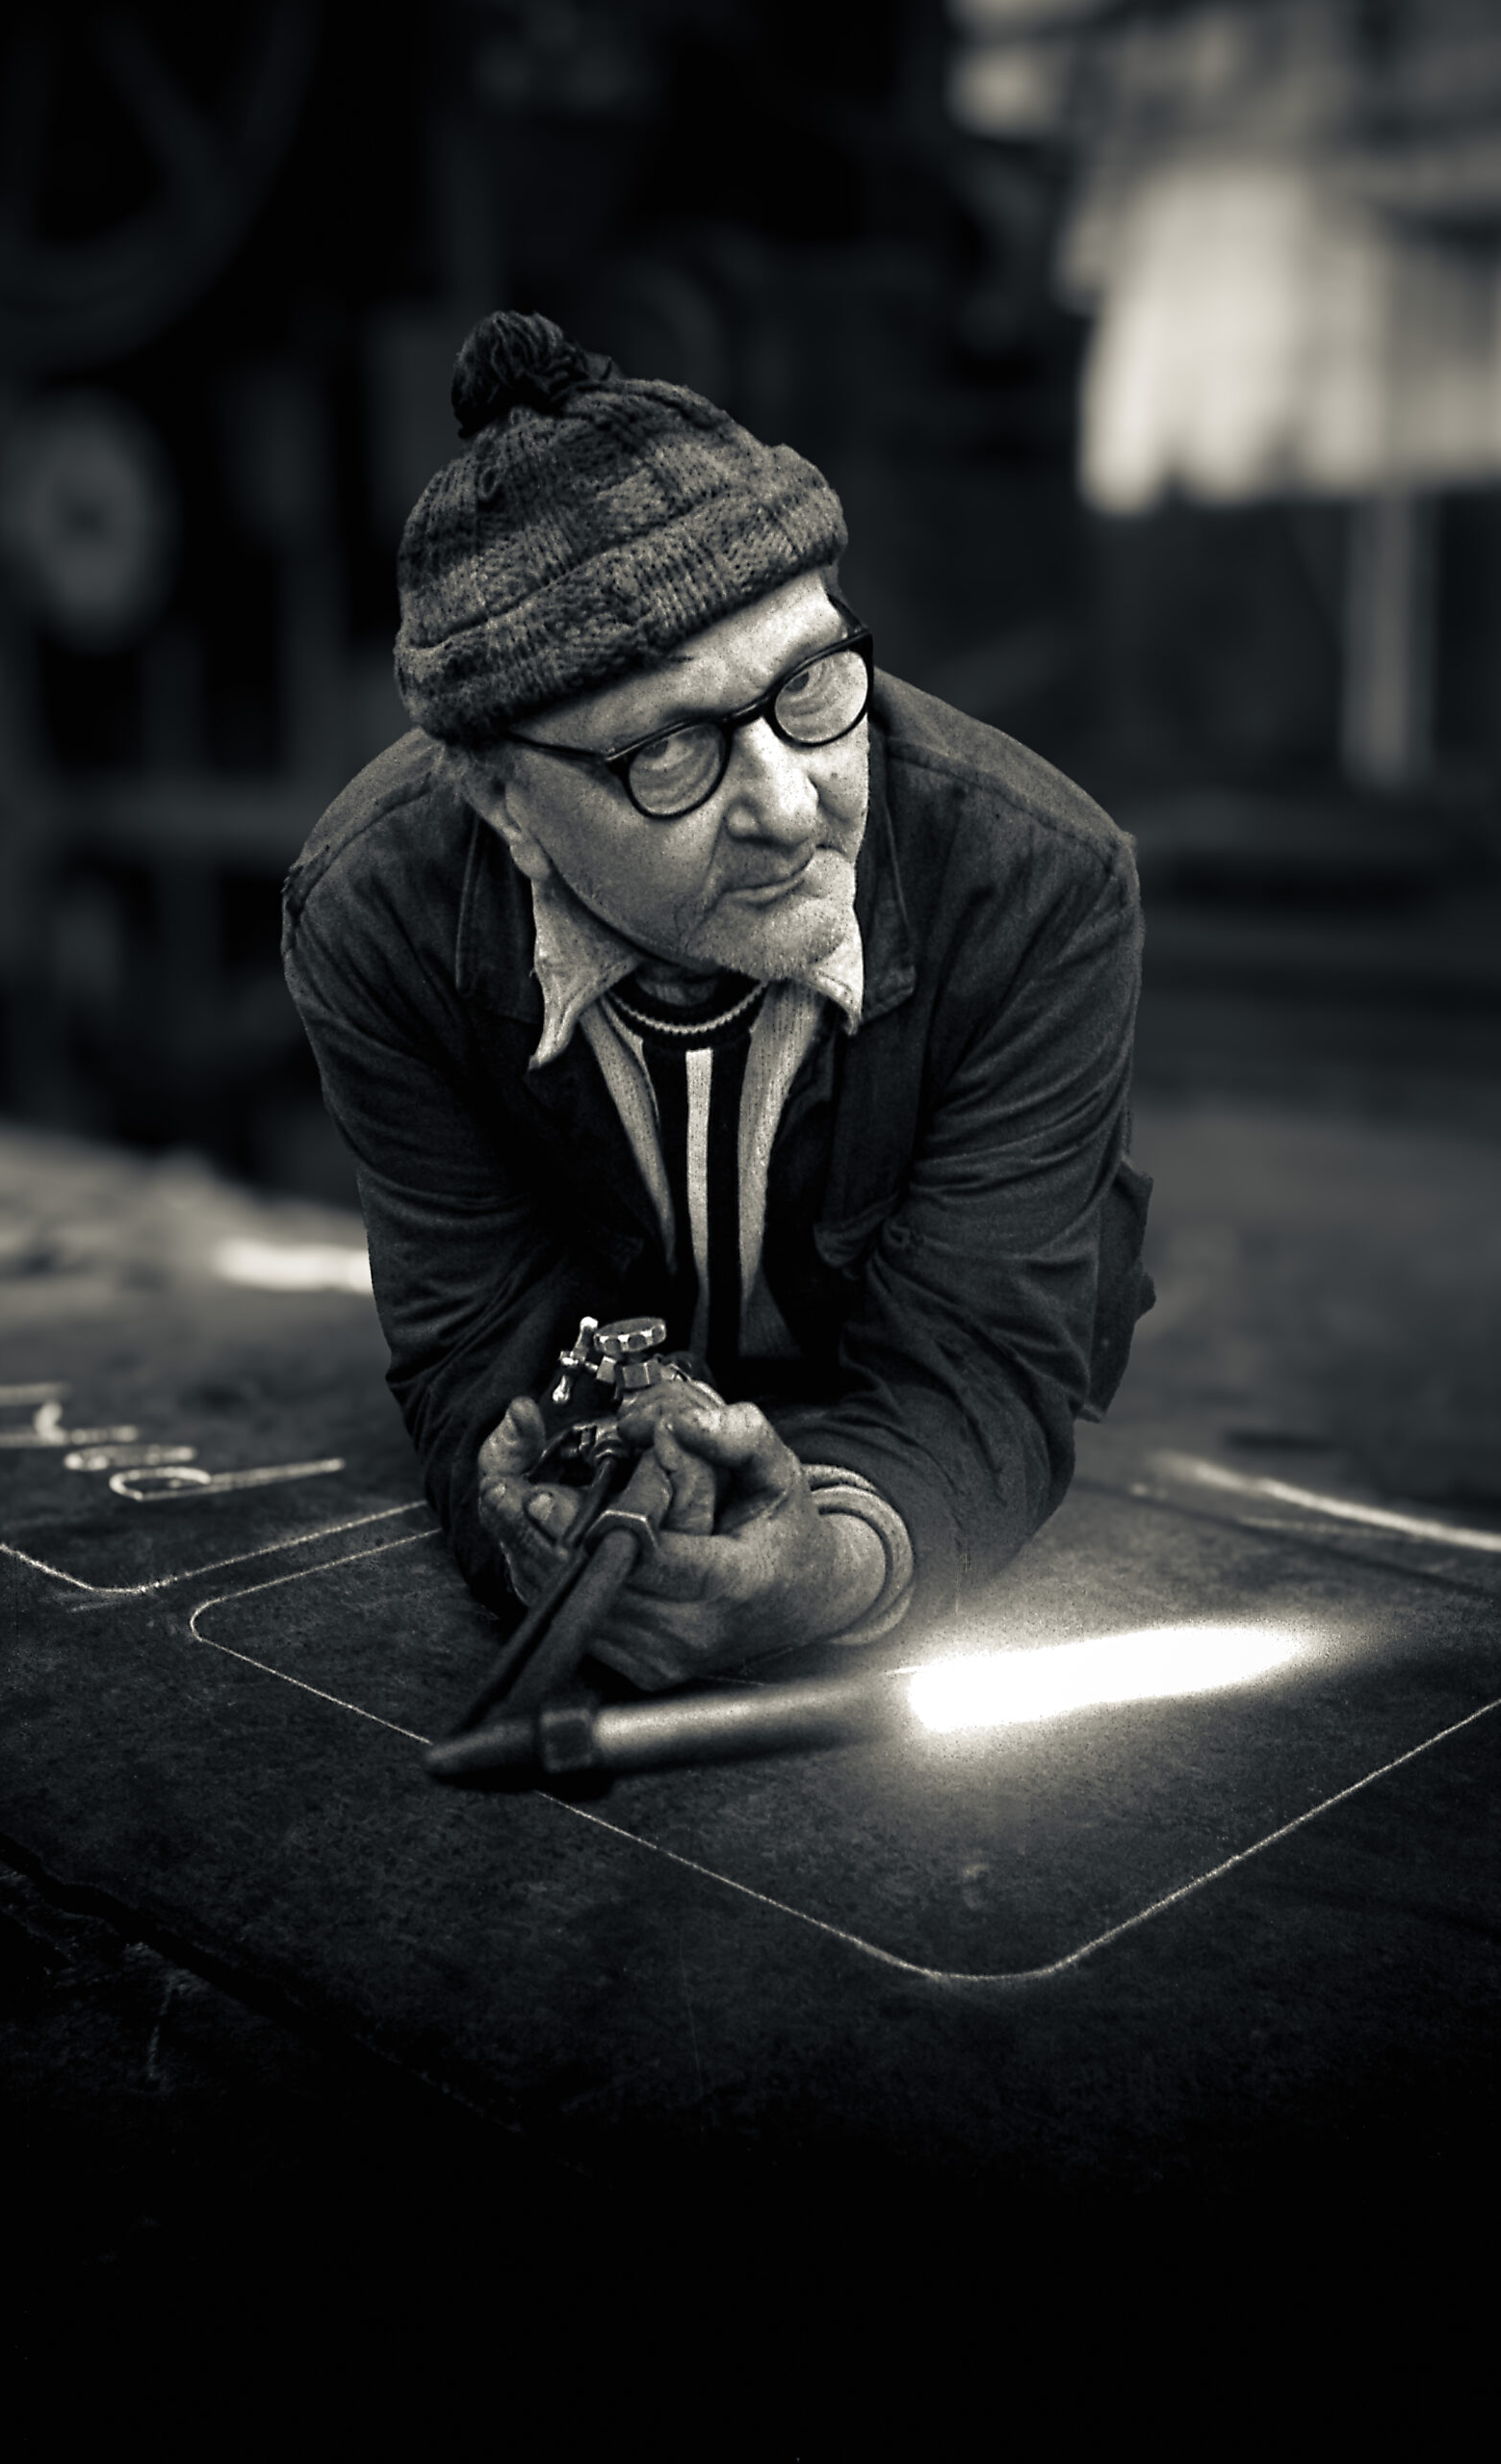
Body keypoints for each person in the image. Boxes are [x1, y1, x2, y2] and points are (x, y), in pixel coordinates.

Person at [282, 311, 1152, 1690]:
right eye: (674, 752)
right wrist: (537, 1506)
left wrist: (840, 1569)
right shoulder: (374, 915)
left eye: (809, 685)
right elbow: (479, 1343)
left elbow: (984, 1359)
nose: (792, 804)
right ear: (504, 798)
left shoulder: (1038, 882)